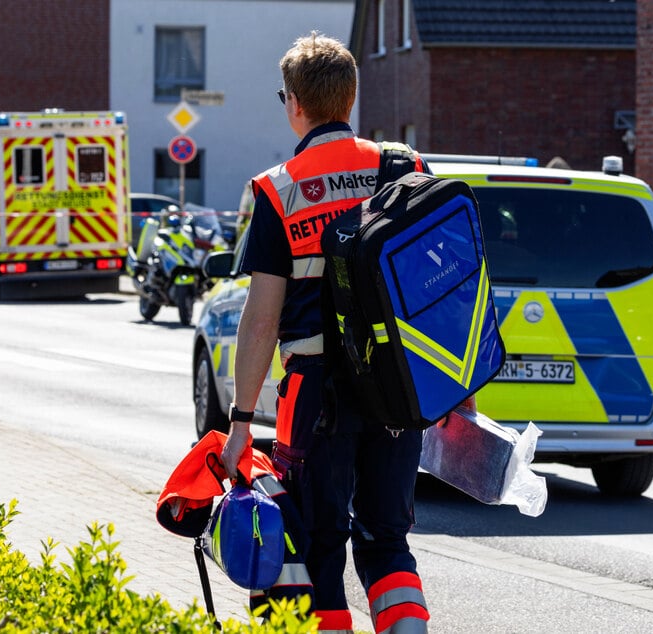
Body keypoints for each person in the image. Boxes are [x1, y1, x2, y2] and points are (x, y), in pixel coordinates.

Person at [221, 32, 430, 634]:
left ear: (294, 103)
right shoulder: (406, 169)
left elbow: (261, 319)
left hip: (315, 395)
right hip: (399, 389)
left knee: (317, 545)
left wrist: (240, 423)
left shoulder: (277, 188)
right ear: (352, 96)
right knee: (387, 539)